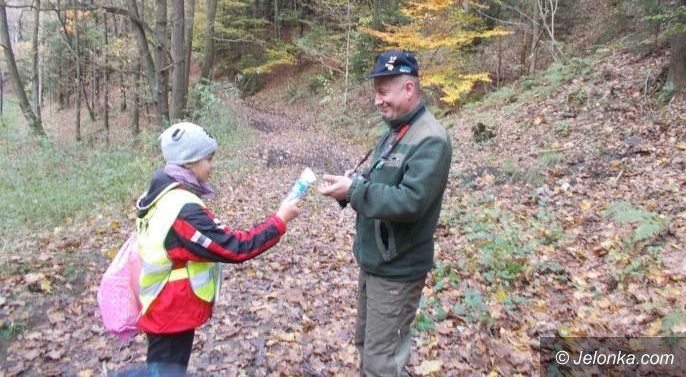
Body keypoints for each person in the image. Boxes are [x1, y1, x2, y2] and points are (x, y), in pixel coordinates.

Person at [319, 50, 452, 376]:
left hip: (398, 268)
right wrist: (352, 184)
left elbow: (410, 202)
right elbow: (380, 182)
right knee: (367, 346)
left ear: (409, 89)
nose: (377, 101)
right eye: (376, 93)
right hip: (376, 262)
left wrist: (354, 190)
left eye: (383, 92)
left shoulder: (431, 139)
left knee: (382, 360)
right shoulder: (395, 130)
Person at [134, 122, 300, 375]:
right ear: (189, 162)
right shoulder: (183, 209)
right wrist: (279, 221)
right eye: (208, 159)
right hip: (169, 313)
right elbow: (236, 247)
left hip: (163, 307)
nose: (212, 166)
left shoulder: (158, 194)